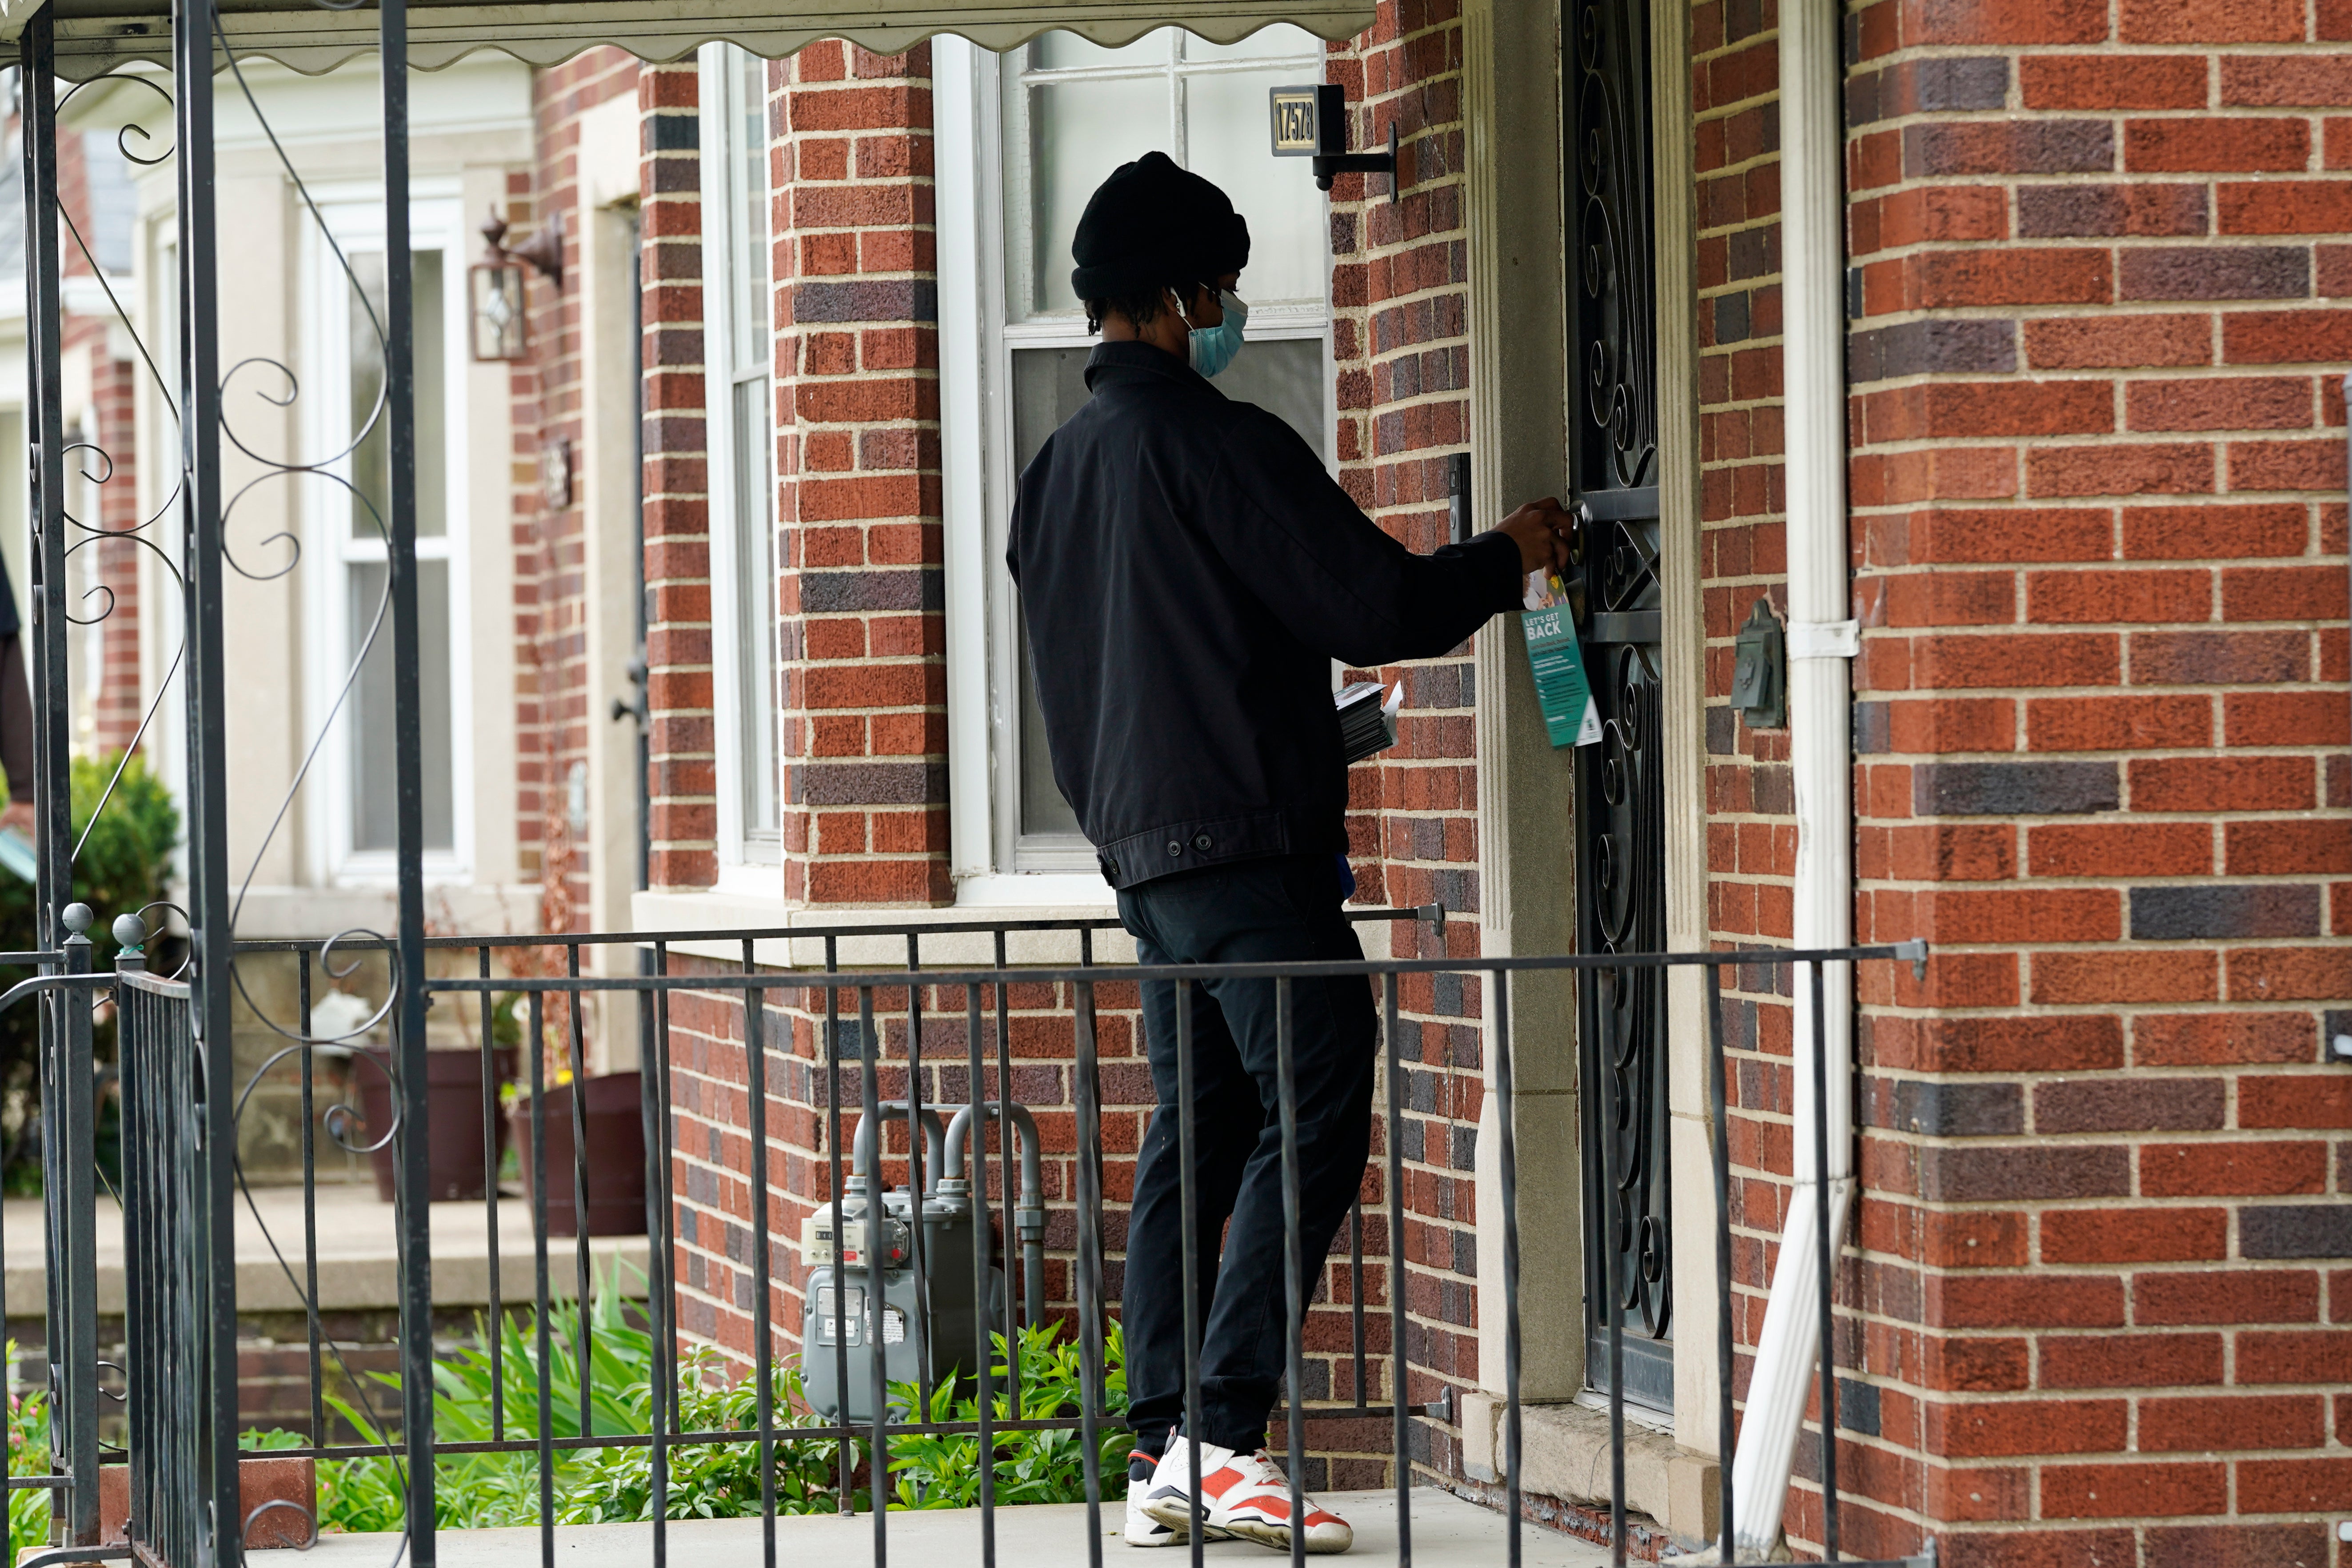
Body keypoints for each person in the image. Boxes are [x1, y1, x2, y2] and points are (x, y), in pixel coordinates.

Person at [1008, 151, 1572, 1556]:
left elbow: (1147, 662)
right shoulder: (1217, 443)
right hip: (1252, 856)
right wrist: (1511, 552)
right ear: (1181, 293)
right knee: (1314, 1107)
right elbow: (1375, 600)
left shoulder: (1054, 474)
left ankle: (1156, 1444)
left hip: (1143, 863)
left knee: (1192, 1137)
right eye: (1226, 289)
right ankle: (1221, 1434)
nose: (1232, 311)